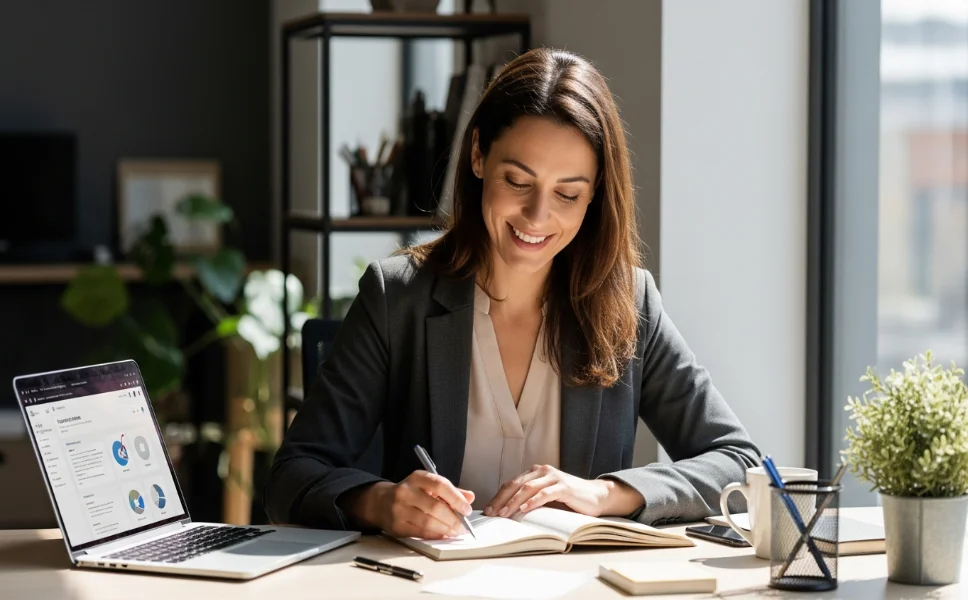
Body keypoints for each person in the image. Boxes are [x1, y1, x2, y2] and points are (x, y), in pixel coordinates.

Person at [265, 48, 760, 540]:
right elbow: (292, 475)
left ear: (595, 193)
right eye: (517, 181)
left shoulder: (629, 301)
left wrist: (607, 494)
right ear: (478, 155)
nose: (537, 216)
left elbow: (740, 463)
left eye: (568, 193)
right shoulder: (398, 297)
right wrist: (381, 502)